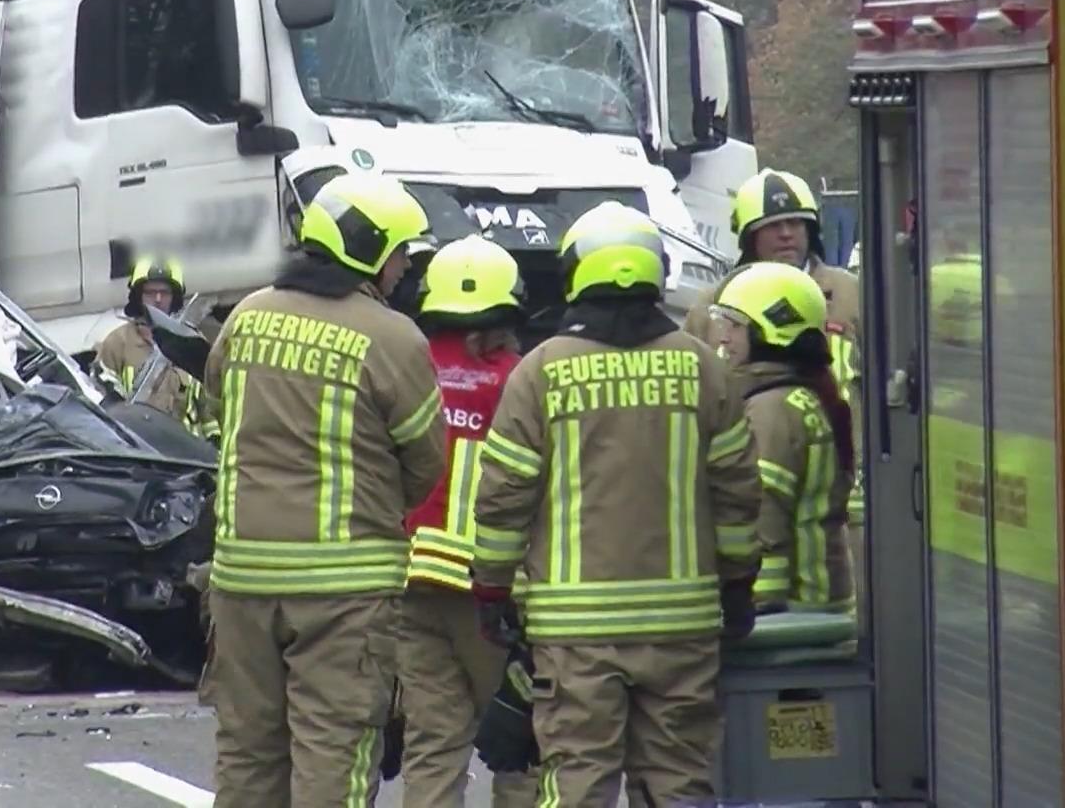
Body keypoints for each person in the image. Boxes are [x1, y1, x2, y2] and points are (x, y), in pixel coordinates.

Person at [472, 200, 761, 807]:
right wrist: (737, 586)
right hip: (681, 627)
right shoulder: (704, 369)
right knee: (680, 781)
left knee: (577, 780)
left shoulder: (540, 372)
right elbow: (737, 494)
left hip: (575, 632)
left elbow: (503, 499)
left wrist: (493, 591)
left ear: (578, 273)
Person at [201, 171, 448, 808]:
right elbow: (425, 463)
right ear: (369, 250)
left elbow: (221, 411)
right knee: (333, 757)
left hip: (242, 579)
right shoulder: (393, 338)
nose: (403, 269)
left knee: (248, 754)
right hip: (344, 592)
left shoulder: (247, 317)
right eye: (399, 253)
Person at [397, 235, 538, 808]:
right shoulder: (522, 379)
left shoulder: (408, 369)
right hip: (490, 592)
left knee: (433, 747)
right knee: (523, 751)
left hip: (411, 580)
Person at [683, 168, 864, 593]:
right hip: (748, 474)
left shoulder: (851, 294)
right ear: (748, 237)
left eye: (796, 223)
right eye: (773, 226)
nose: (787, 235)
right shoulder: (711, 306)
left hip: (848, 492)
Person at [705, 262, 855, 616]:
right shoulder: (799, 395)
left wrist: (756, 604)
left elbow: (763, 517)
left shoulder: (770, 410)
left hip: (792, 614)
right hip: (818, 601)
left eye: (736, 326)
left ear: (771, 330)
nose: (724, 337)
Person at [95, 256, 218, 437]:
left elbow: (210, 407)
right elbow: (100, 403)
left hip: (185, 452)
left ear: (175, 297)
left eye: (165, 292)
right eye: (150, 292)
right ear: (138, 296)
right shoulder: (117, 343)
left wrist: (214, 442)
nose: (158, 299)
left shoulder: (190, 342)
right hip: (138, 448)